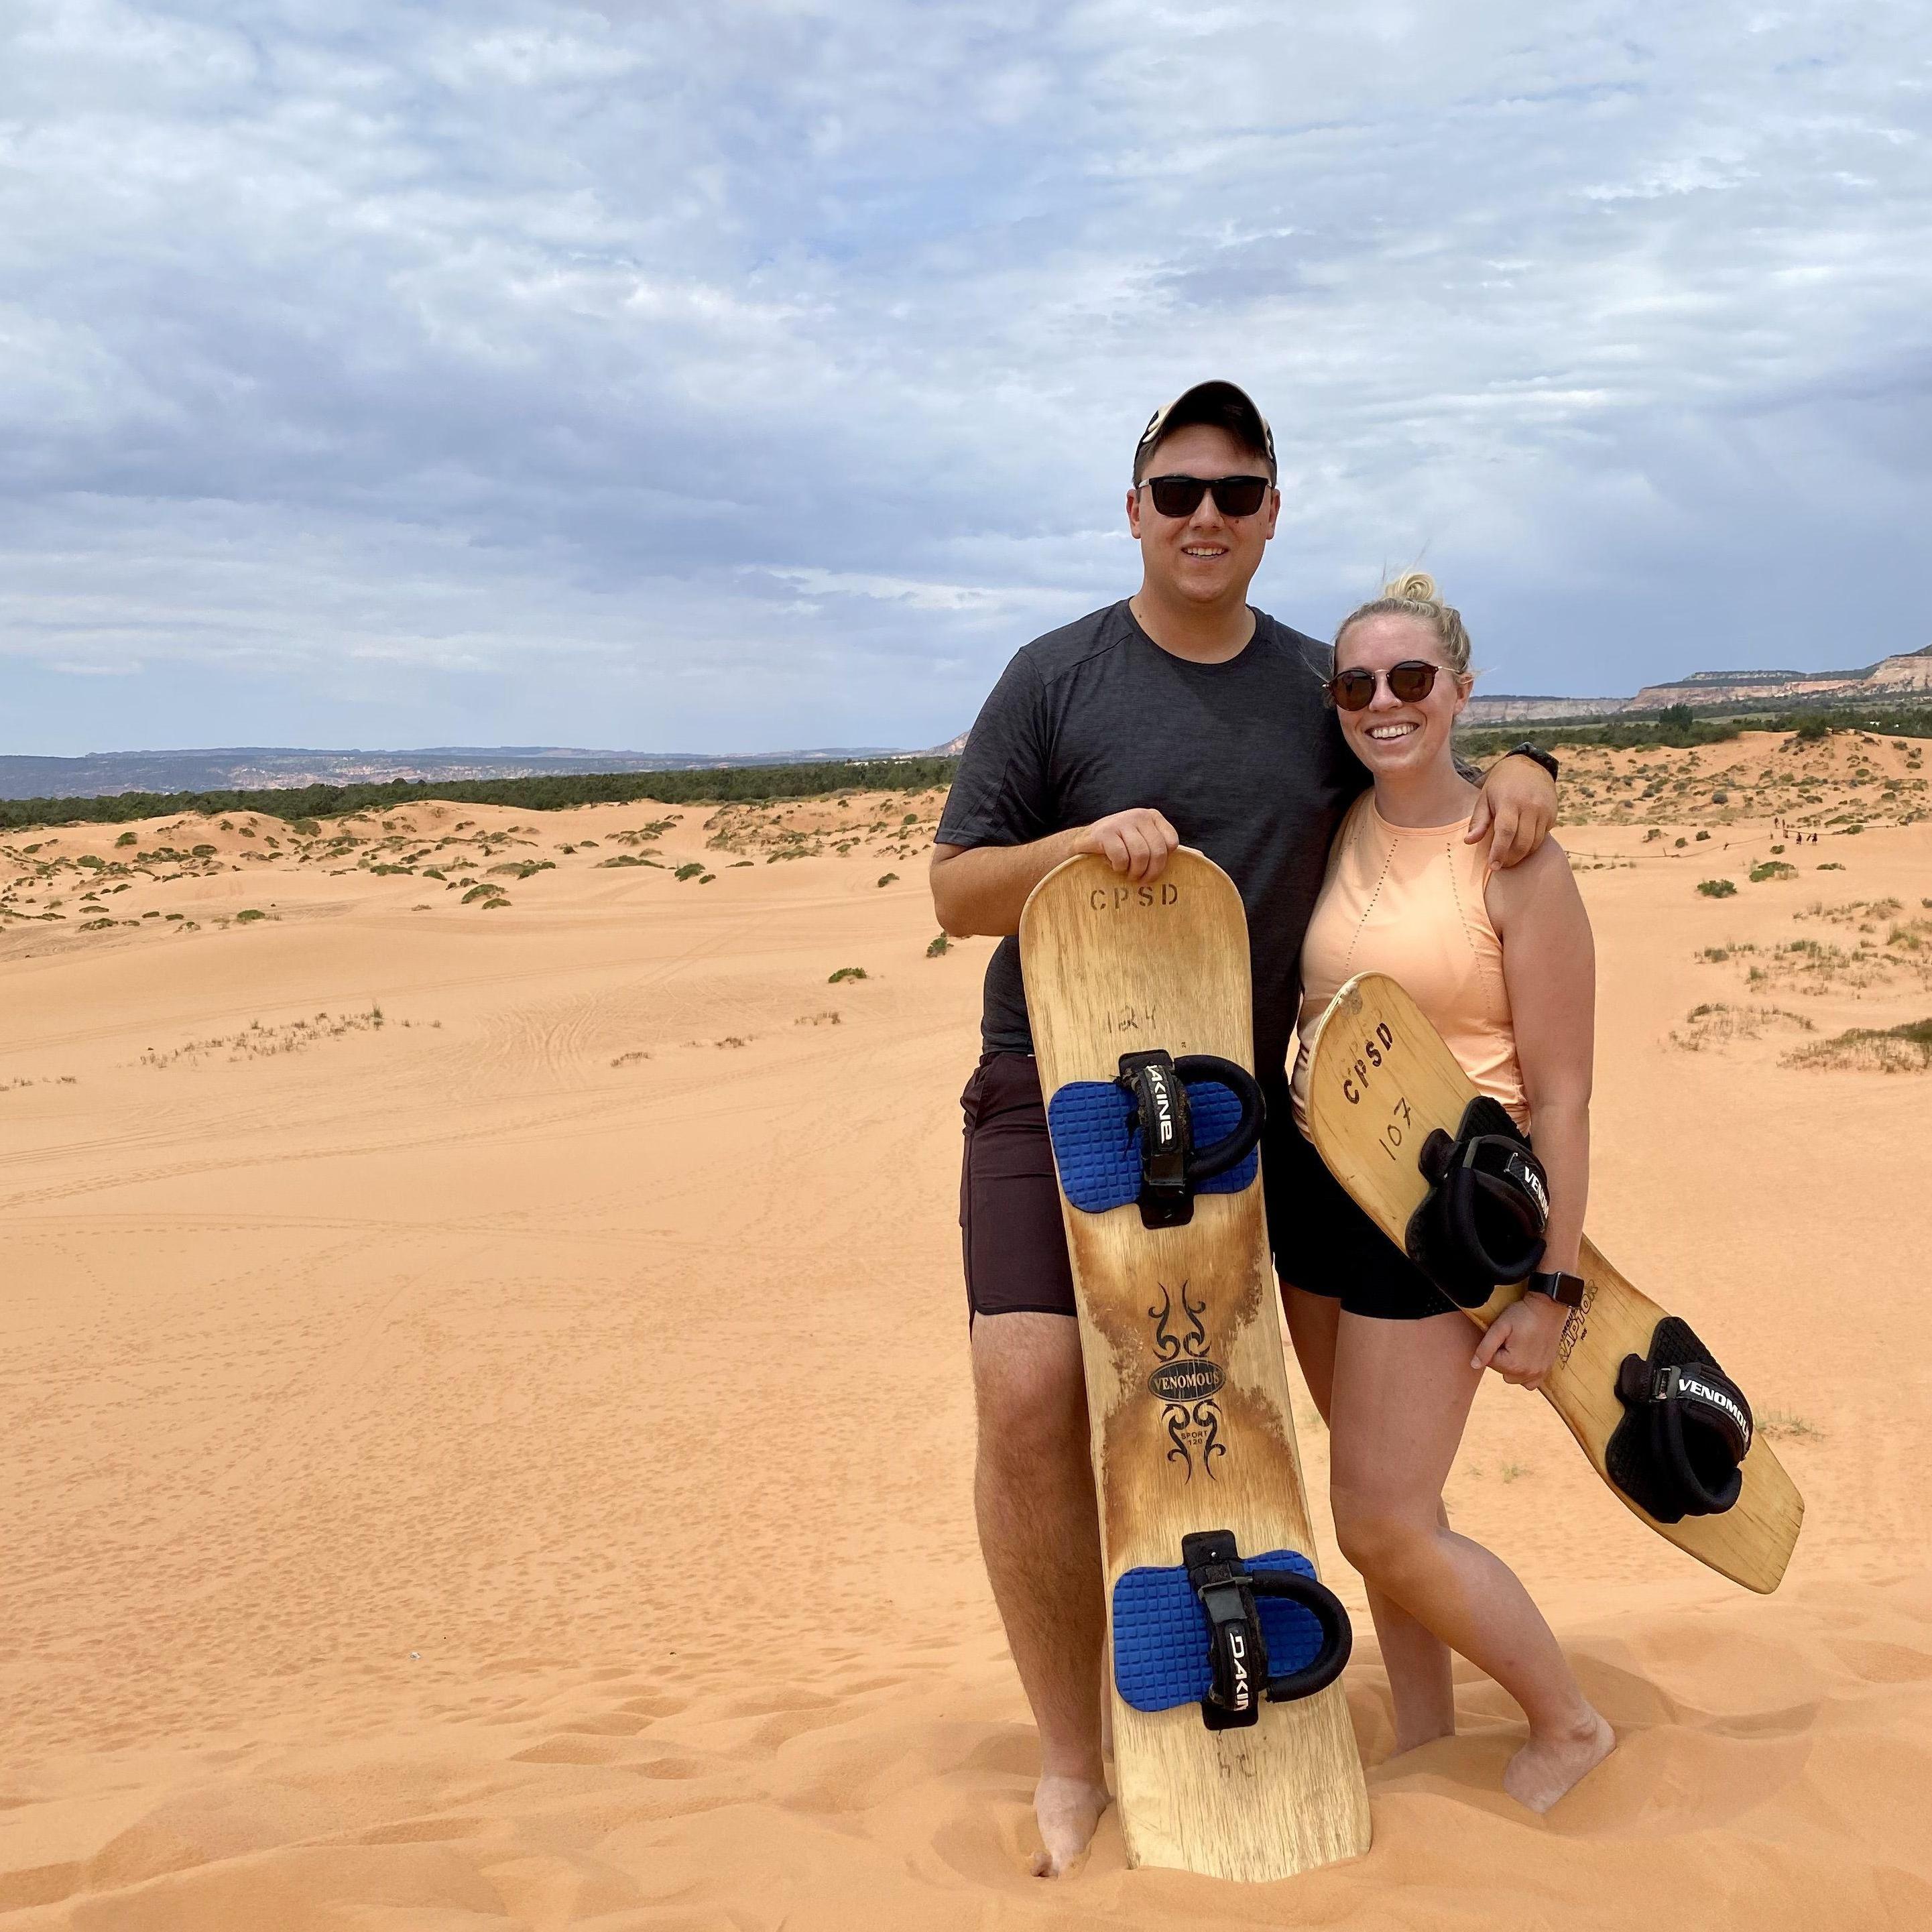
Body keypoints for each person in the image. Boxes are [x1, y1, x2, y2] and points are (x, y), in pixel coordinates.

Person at [929, 381, 1561, 1875]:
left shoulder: (1313, 689)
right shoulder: (1053, 678)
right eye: (1177, 490)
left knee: (1338, 1436)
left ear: (1271, 510)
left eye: (1235, 491)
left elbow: (1426, 767)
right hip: (1056, 1087)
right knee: (1028, 1402)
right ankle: (1073, 1760)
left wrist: (1535, 773)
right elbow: (954, 892)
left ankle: (1423, 1716)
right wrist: (1077, 848)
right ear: (1132, 506)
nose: (1204, 516)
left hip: (1248, 1114)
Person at [1283, 571, 1616, 1813]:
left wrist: (1553, 1285)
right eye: (1358, 684)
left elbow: (1566, 1094)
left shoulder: (1518, 860)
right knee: (1378, 1493)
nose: (1383, 702)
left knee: (1379, 1520)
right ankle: (1423, 1725)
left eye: (1411, 679)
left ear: (1459, 692)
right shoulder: (1334, 818)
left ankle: (1567, 1722)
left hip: (1439, 1220)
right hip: (1317, 1192)